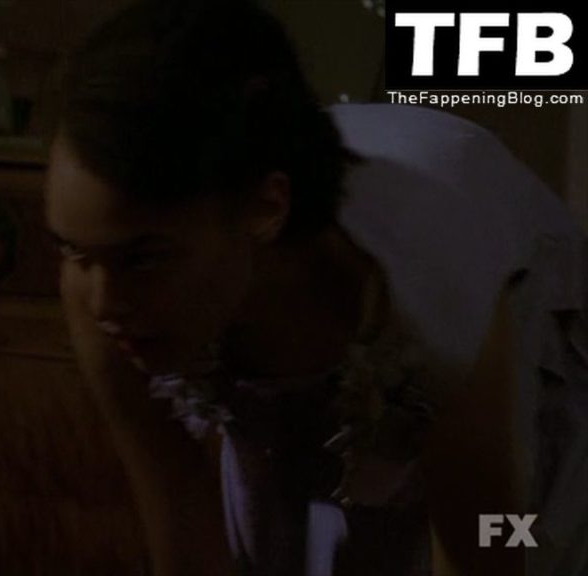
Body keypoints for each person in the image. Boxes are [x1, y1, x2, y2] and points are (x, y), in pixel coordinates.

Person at [42, 0, 588, 574]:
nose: (102, 302)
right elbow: (183, 531)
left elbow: (485, 551)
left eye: (145, 258)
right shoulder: (108, 276)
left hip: (510, 382)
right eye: (73, 251)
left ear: (266, 208)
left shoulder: (438, 290)